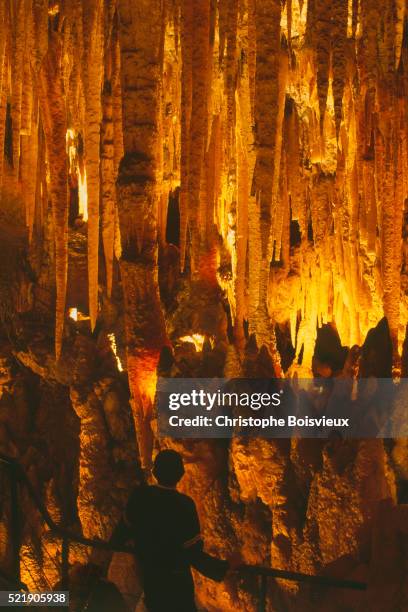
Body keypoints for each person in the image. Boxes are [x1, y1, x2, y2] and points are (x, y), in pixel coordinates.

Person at [111, 449, 242, 612]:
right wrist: (224, 567)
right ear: (181, 474)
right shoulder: (184, 505)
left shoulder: (140, 496)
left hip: (152, 579)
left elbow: (121, 534)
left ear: (154, 471)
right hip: (177, 583)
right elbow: (193, 554)